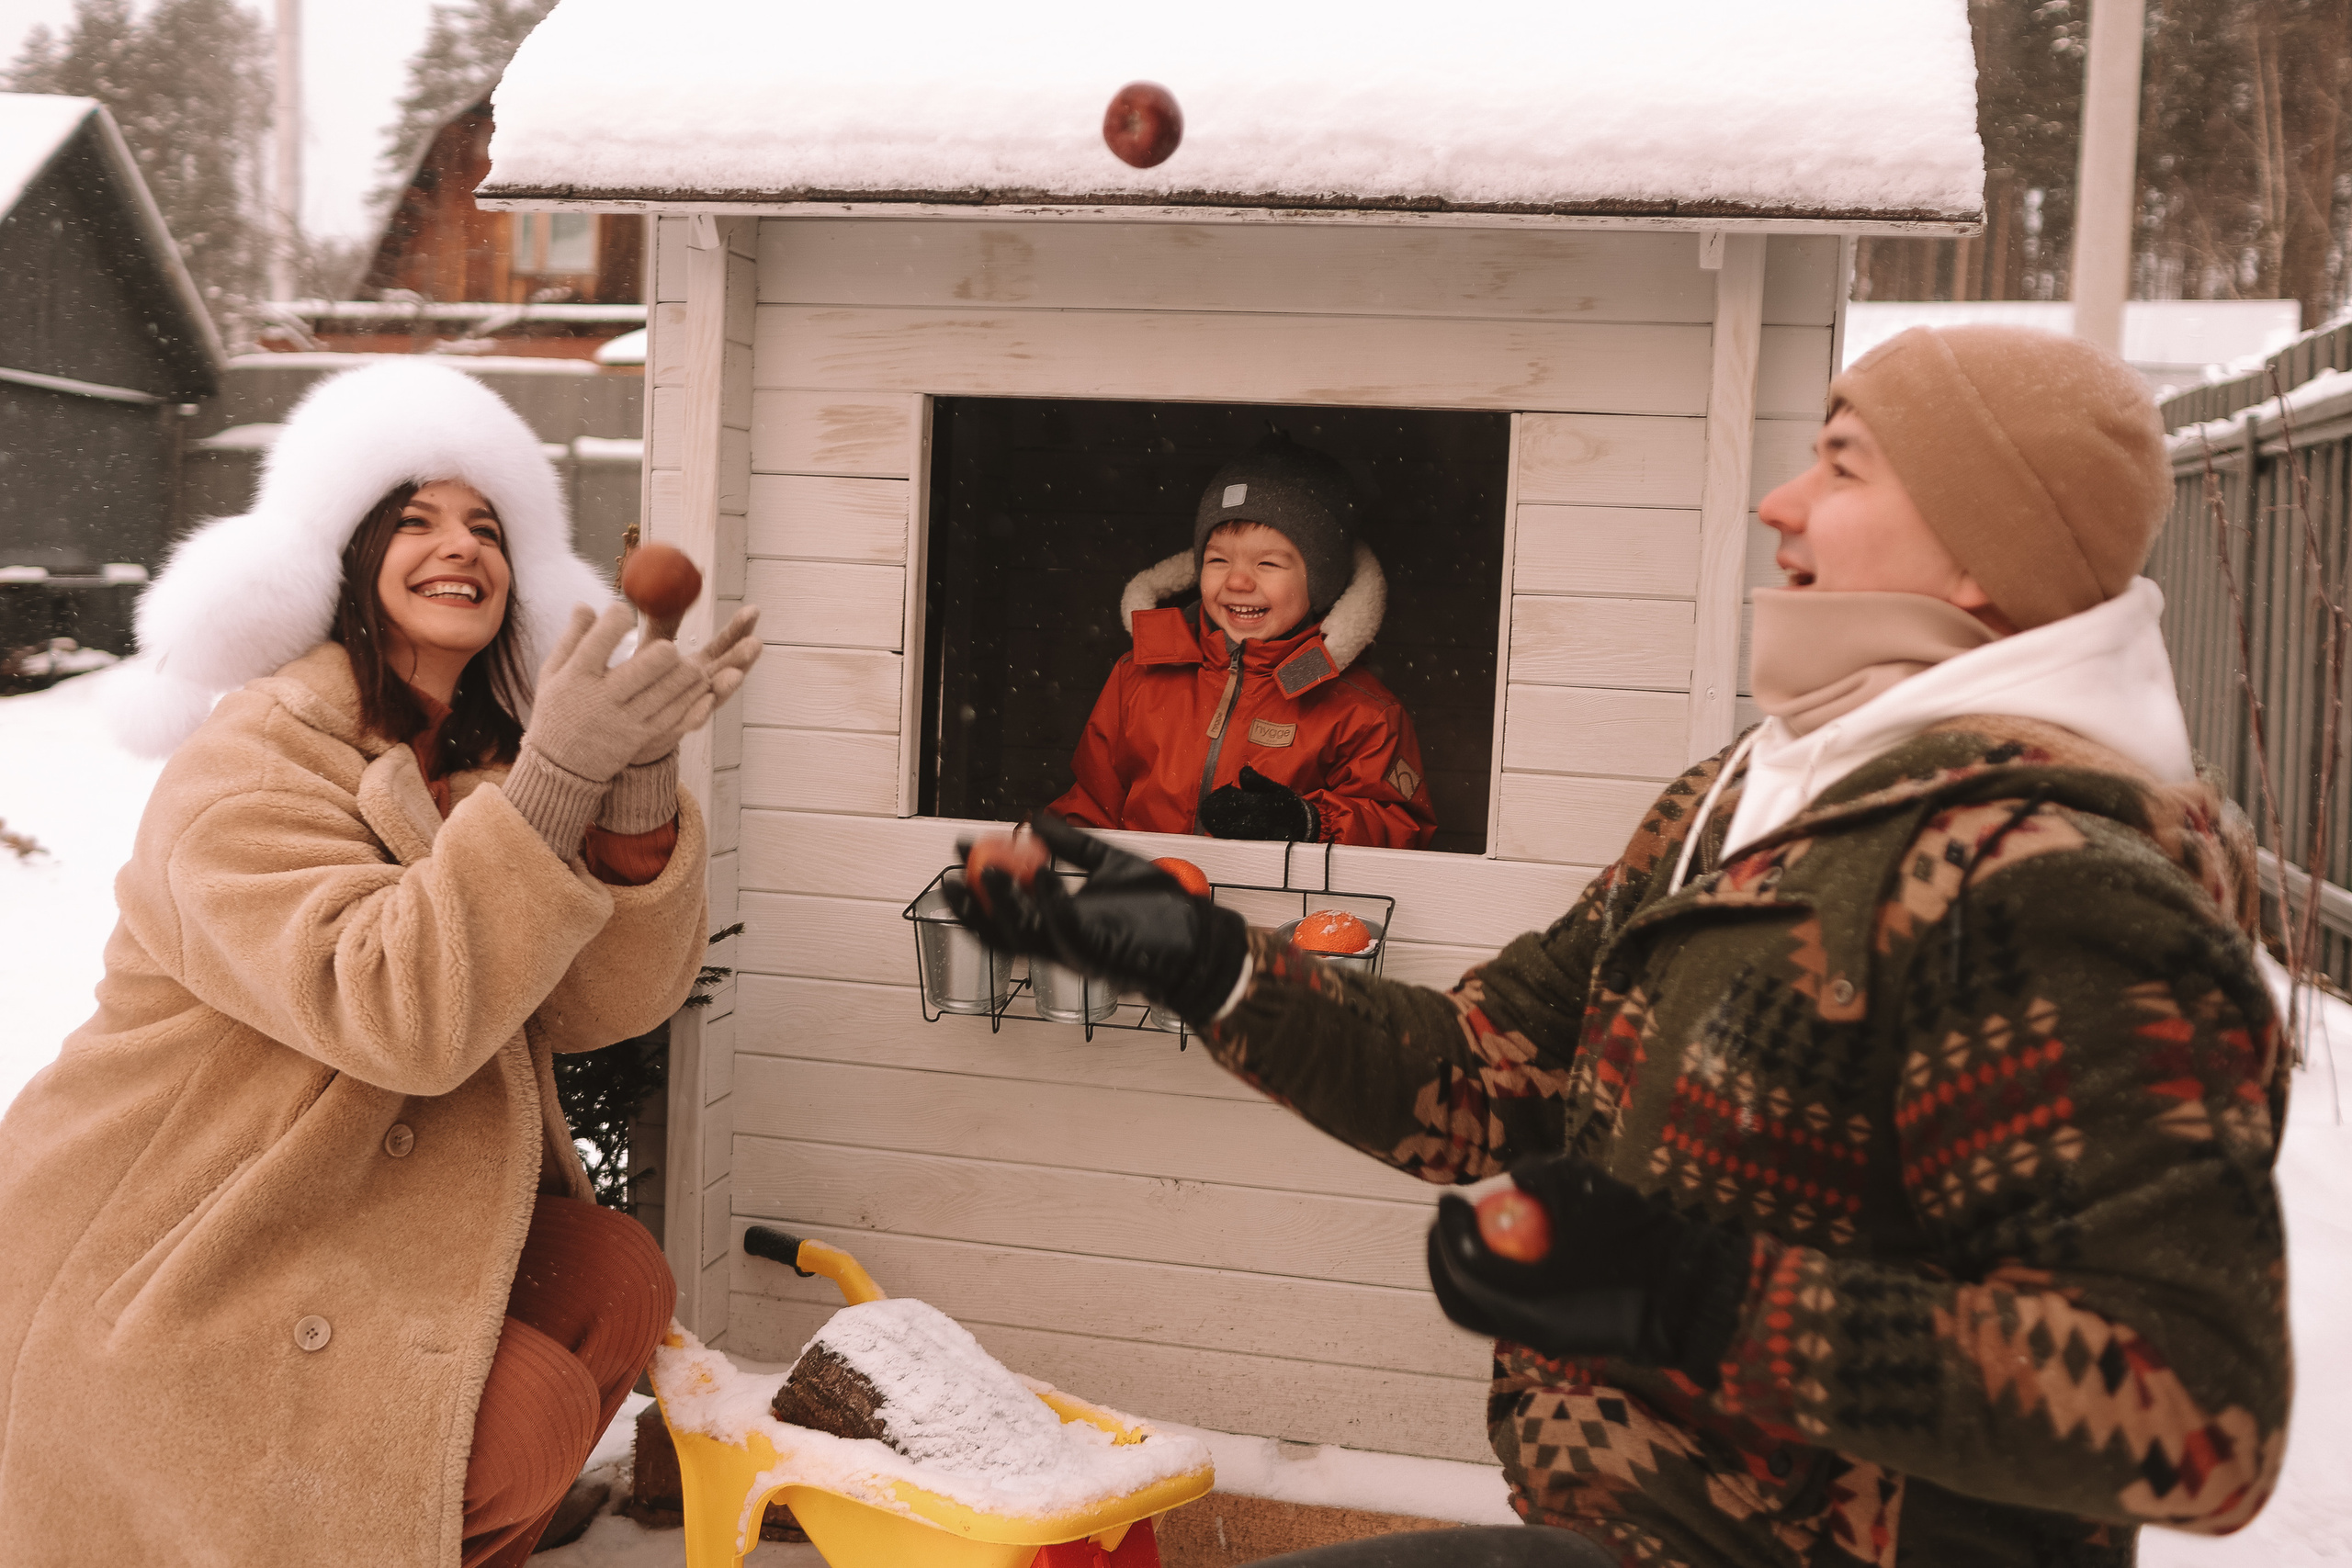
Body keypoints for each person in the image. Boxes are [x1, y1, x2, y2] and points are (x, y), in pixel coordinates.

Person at [955, 327, 2291, 1566]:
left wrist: (1692, 1292)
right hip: (1611, 1527)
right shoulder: (1751, 797)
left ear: (1978, 552)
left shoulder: (2047, 873)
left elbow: (2192, 1405)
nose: (1780, 503)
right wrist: (1202, 958)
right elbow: (1483, 1077)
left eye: (1839, 465)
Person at [0, 359, 761, 1568]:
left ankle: (428, 1519)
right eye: (412, 518)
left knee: (617, 1277)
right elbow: (395, 1007)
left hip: (344, 1218)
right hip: (175, 1249)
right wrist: (558, 776)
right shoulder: (250, 761)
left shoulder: (483, 764)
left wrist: (632, 788)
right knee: (533, 1421)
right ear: (343, 561)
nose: (459, 543)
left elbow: (609, 1001)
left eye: (488, 524)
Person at [1046, 432, 1438, 849]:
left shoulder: (1363, 711)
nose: (1236, 581)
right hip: (1146, 903)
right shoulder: (1139, 675)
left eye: (1267, 563)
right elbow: (1092, 802)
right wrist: (1049, 847)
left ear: (1321, 583)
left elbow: (1399, 826)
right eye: (1218, 560)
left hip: (1279, 912)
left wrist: (1309, 823)